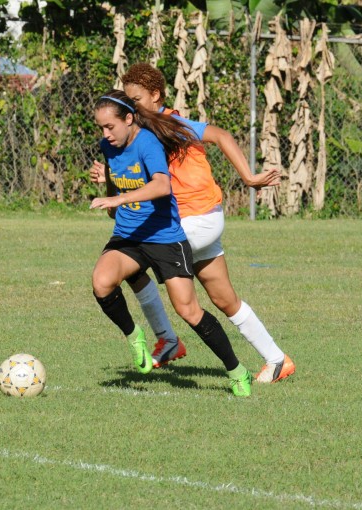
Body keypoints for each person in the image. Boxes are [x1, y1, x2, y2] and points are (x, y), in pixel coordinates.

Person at [91, 63, 295, 383]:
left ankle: (168, 340)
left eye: (137, 99)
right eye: (128, 101)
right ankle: (277, 359)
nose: (132, 106)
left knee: (131, 262)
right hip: (196, 220)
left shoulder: (168, 123)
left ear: (155, 95)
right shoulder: (141, 133)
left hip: (197, 219)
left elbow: (220, 135)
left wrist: (249, 177)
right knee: (224, 298)